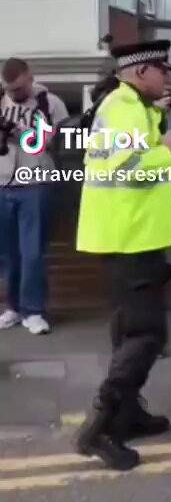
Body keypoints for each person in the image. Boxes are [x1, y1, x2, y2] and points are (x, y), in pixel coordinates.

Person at [75, 40, 171, 472]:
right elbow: (130, 167)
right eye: (161, 69)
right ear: (140, 72)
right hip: (130, 238)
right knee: (146, 335)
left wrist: (160, 122)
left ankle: (128, 414)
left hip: (134, 235)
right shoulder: (122, 108)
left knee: (130, 331)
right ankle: (100, 427)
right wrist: (170, 150)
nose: (167, 76)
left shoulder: (132, 107)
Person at [0, 57, 68, 335]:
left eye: (17, 88)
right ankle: (12, 308)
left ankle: (34, 310)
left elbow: (57, 142)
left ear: (30, 77)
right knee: (7, 253)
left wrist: (19, 130)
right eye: (8, 89)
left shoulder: (49, 103)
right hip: (3, 183)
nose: (13, 95)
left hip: (36, 183)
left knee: (32, 253)